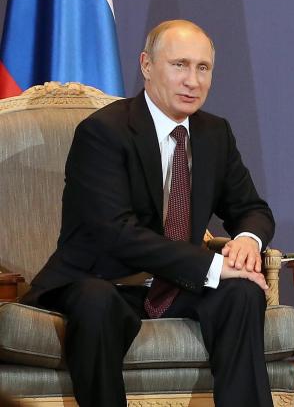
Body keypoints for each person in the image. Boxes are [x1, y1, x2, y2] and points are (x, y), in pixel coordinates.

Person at [21, 20, 276, 407]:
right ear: (146, 65)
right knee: (95, 301)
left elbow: (252, 209)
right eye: (179, 65)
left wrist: (247, 240)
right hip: (104, 279)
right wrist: (212, 266)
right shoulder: (103, 131)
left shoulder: (214, 133)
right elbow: (115, 233)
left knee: (241, 292)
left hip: (175, 284)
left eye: (203, 68)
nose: (193, 81)